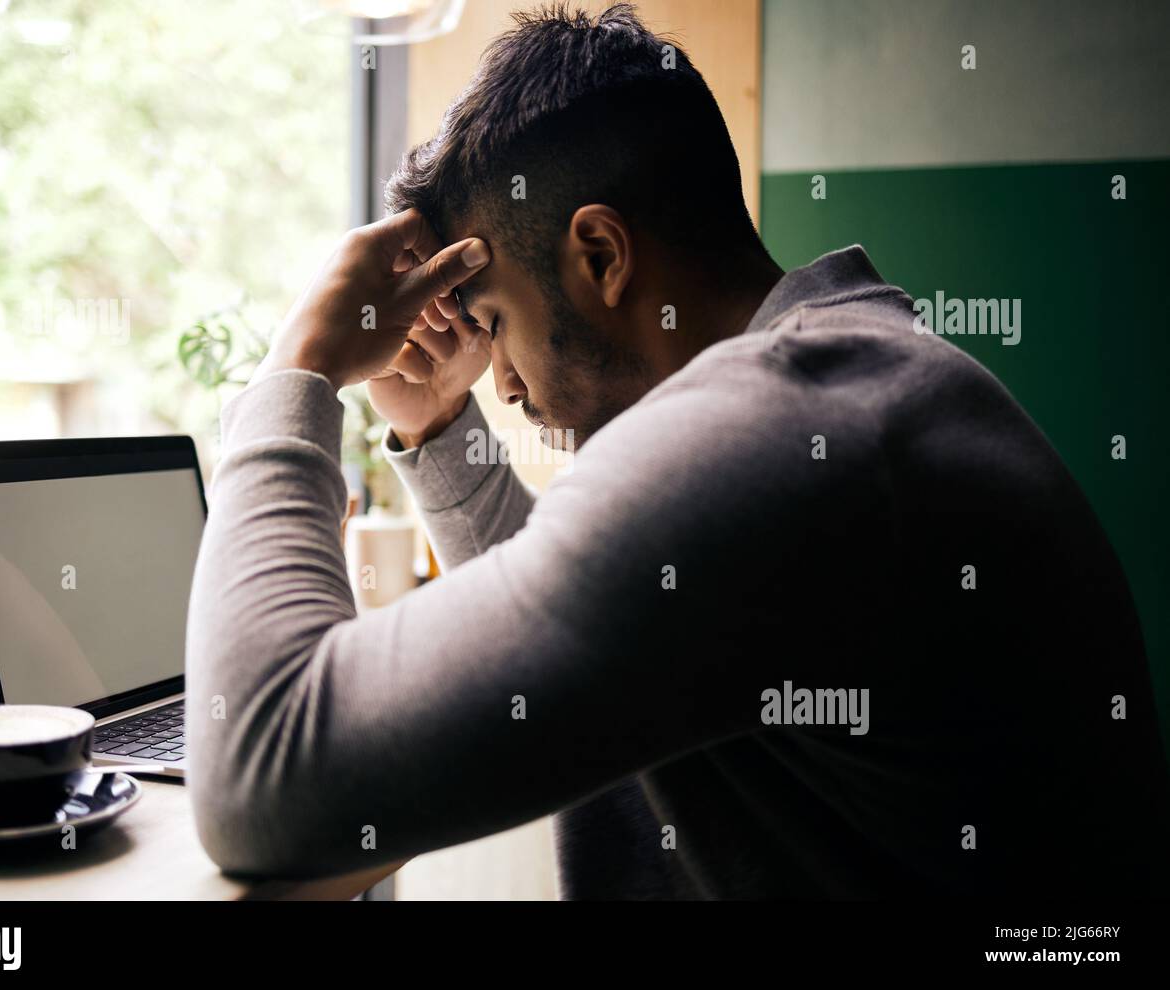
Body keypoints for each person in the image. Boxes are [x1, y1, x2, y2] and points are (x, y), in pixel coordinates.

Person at [185, 3, 1170, 898]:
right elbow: (593, 637)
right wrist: (438, 430)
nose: (509, 384)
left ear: (603, 256)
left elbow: (266, 770)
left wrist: (298, 368)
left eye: (494, 320)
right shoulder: (847, 384)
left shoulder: (779, 431)